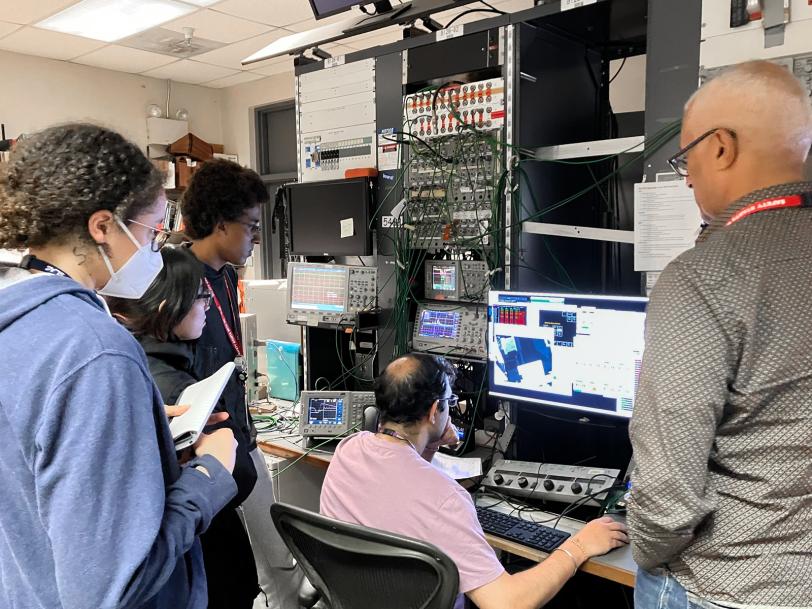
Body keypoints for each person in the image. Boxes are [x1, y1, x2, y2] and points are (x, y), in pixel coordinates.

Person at [0, 123, 238, 609]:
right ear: (103, 227)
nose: (156, 252)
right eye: (152, 234)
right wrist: (208, 476)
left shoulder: (17, 320)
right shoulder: (94, 350)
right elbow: (112, 585)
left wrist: (144, 433)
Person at [628, 60, 812, 608]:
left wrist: (643, 546)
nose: (686, 176)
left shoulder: (701, 278)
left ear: (722, 147)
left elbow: (667, 494)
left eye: (686, 157)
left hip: (725, 584)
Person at [321, 353, 628, 609]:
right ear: (433, 411)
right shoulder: (445, 497)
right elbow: (507, 603)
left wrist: (430, 442)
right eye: (448, 402)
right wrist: (577, 546)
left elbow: (402, 476)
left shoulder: (349, 450)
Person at [107, 244, 261, 608]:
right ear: (168, 310)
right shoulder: (181, 392)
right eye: (201, 296)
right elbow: (240, 478)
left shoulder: (131, 366)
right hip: (202, 561)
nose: (207, 304)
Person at [181, 159, 300, 609]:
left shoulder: (227, 277)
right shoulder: (179, 286)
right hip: (205, 450)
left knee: (274, 542)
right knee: (230, 573)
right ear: (219, 223)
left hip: (242, 435)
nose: (255, 238)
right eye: (250, 227)